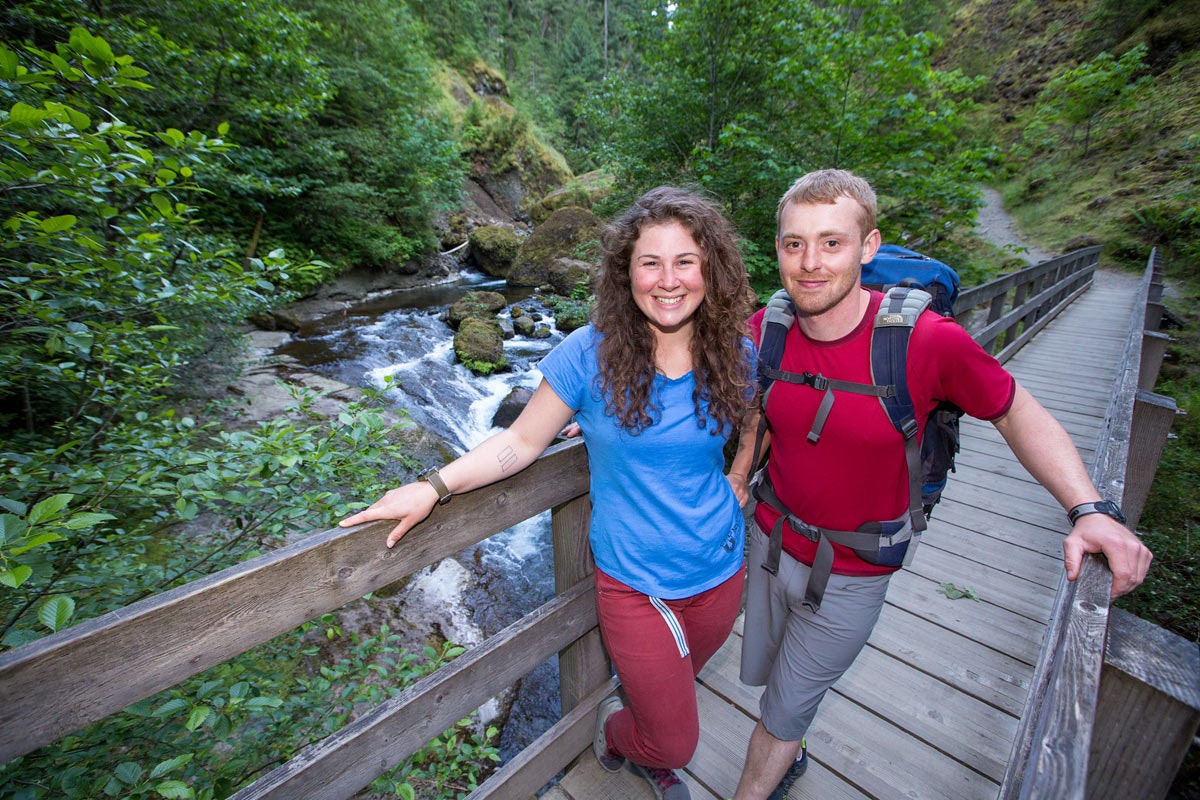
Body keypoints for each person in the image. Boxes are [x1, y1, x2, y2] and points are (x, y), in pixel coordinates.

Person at [724, 169, 1154, 800]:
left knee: (782, 710)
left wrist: (1088, 507)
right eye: (794, 244)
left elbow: (1015, 410)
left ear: (869, 246)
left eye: (831, 243)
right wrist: (587, 408)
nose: (809, 263)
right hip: (765, 543)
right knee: (775, 676)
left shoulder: (922, 342)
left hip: (852, 570)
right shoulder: (772, 326)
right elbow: (723, 386)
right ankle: (795, 737)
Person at [341, 186, 757, 800]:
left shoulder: (734, 352)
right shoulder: (589, 355)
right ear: (627, 272)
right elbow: (519, 442)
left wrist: (740, 475)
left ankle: (644, 715)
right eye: (651, 262)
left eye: (685, 261)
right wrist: (433, 485)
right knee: (675, 741)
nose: (668, 280)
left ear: (710, 269)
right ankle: (619, 737)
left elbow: (752, 415)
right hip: (637, 583)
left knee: (679, 681)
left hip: (722, 568)